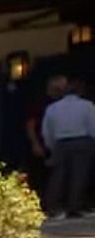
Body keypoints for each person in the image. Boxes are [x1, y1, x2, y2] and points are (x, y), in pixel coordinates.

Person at [41, 74, 95, 219]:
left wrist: (51, 146)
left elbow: (47, 130)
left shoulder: (52, 108)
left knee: (58, 176)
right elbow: (92, 126)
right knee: (80, 175)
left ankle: (53, 208)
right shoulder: (87, 105)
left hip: (61, 142)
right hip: (82, 141)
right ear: (81, 92)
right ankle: (75, 207)